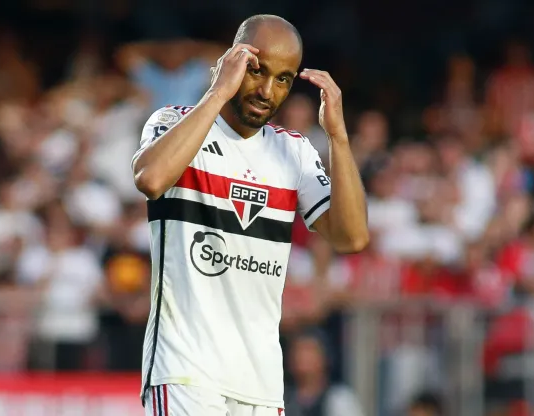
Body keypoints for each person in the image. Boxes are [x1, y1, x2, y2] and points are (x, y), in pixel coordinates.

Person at [131, 14, 369, 416]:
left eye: (283, 79)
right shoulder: (172, 121)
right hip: (185, 370)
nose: (266, 90)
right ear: (232, 62)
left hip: (260, 383)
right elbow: (151, 179)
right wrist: (217, 93)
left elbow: (352, 237)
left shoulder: (293, 152)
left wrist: (338, 137)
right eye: (257, 71)